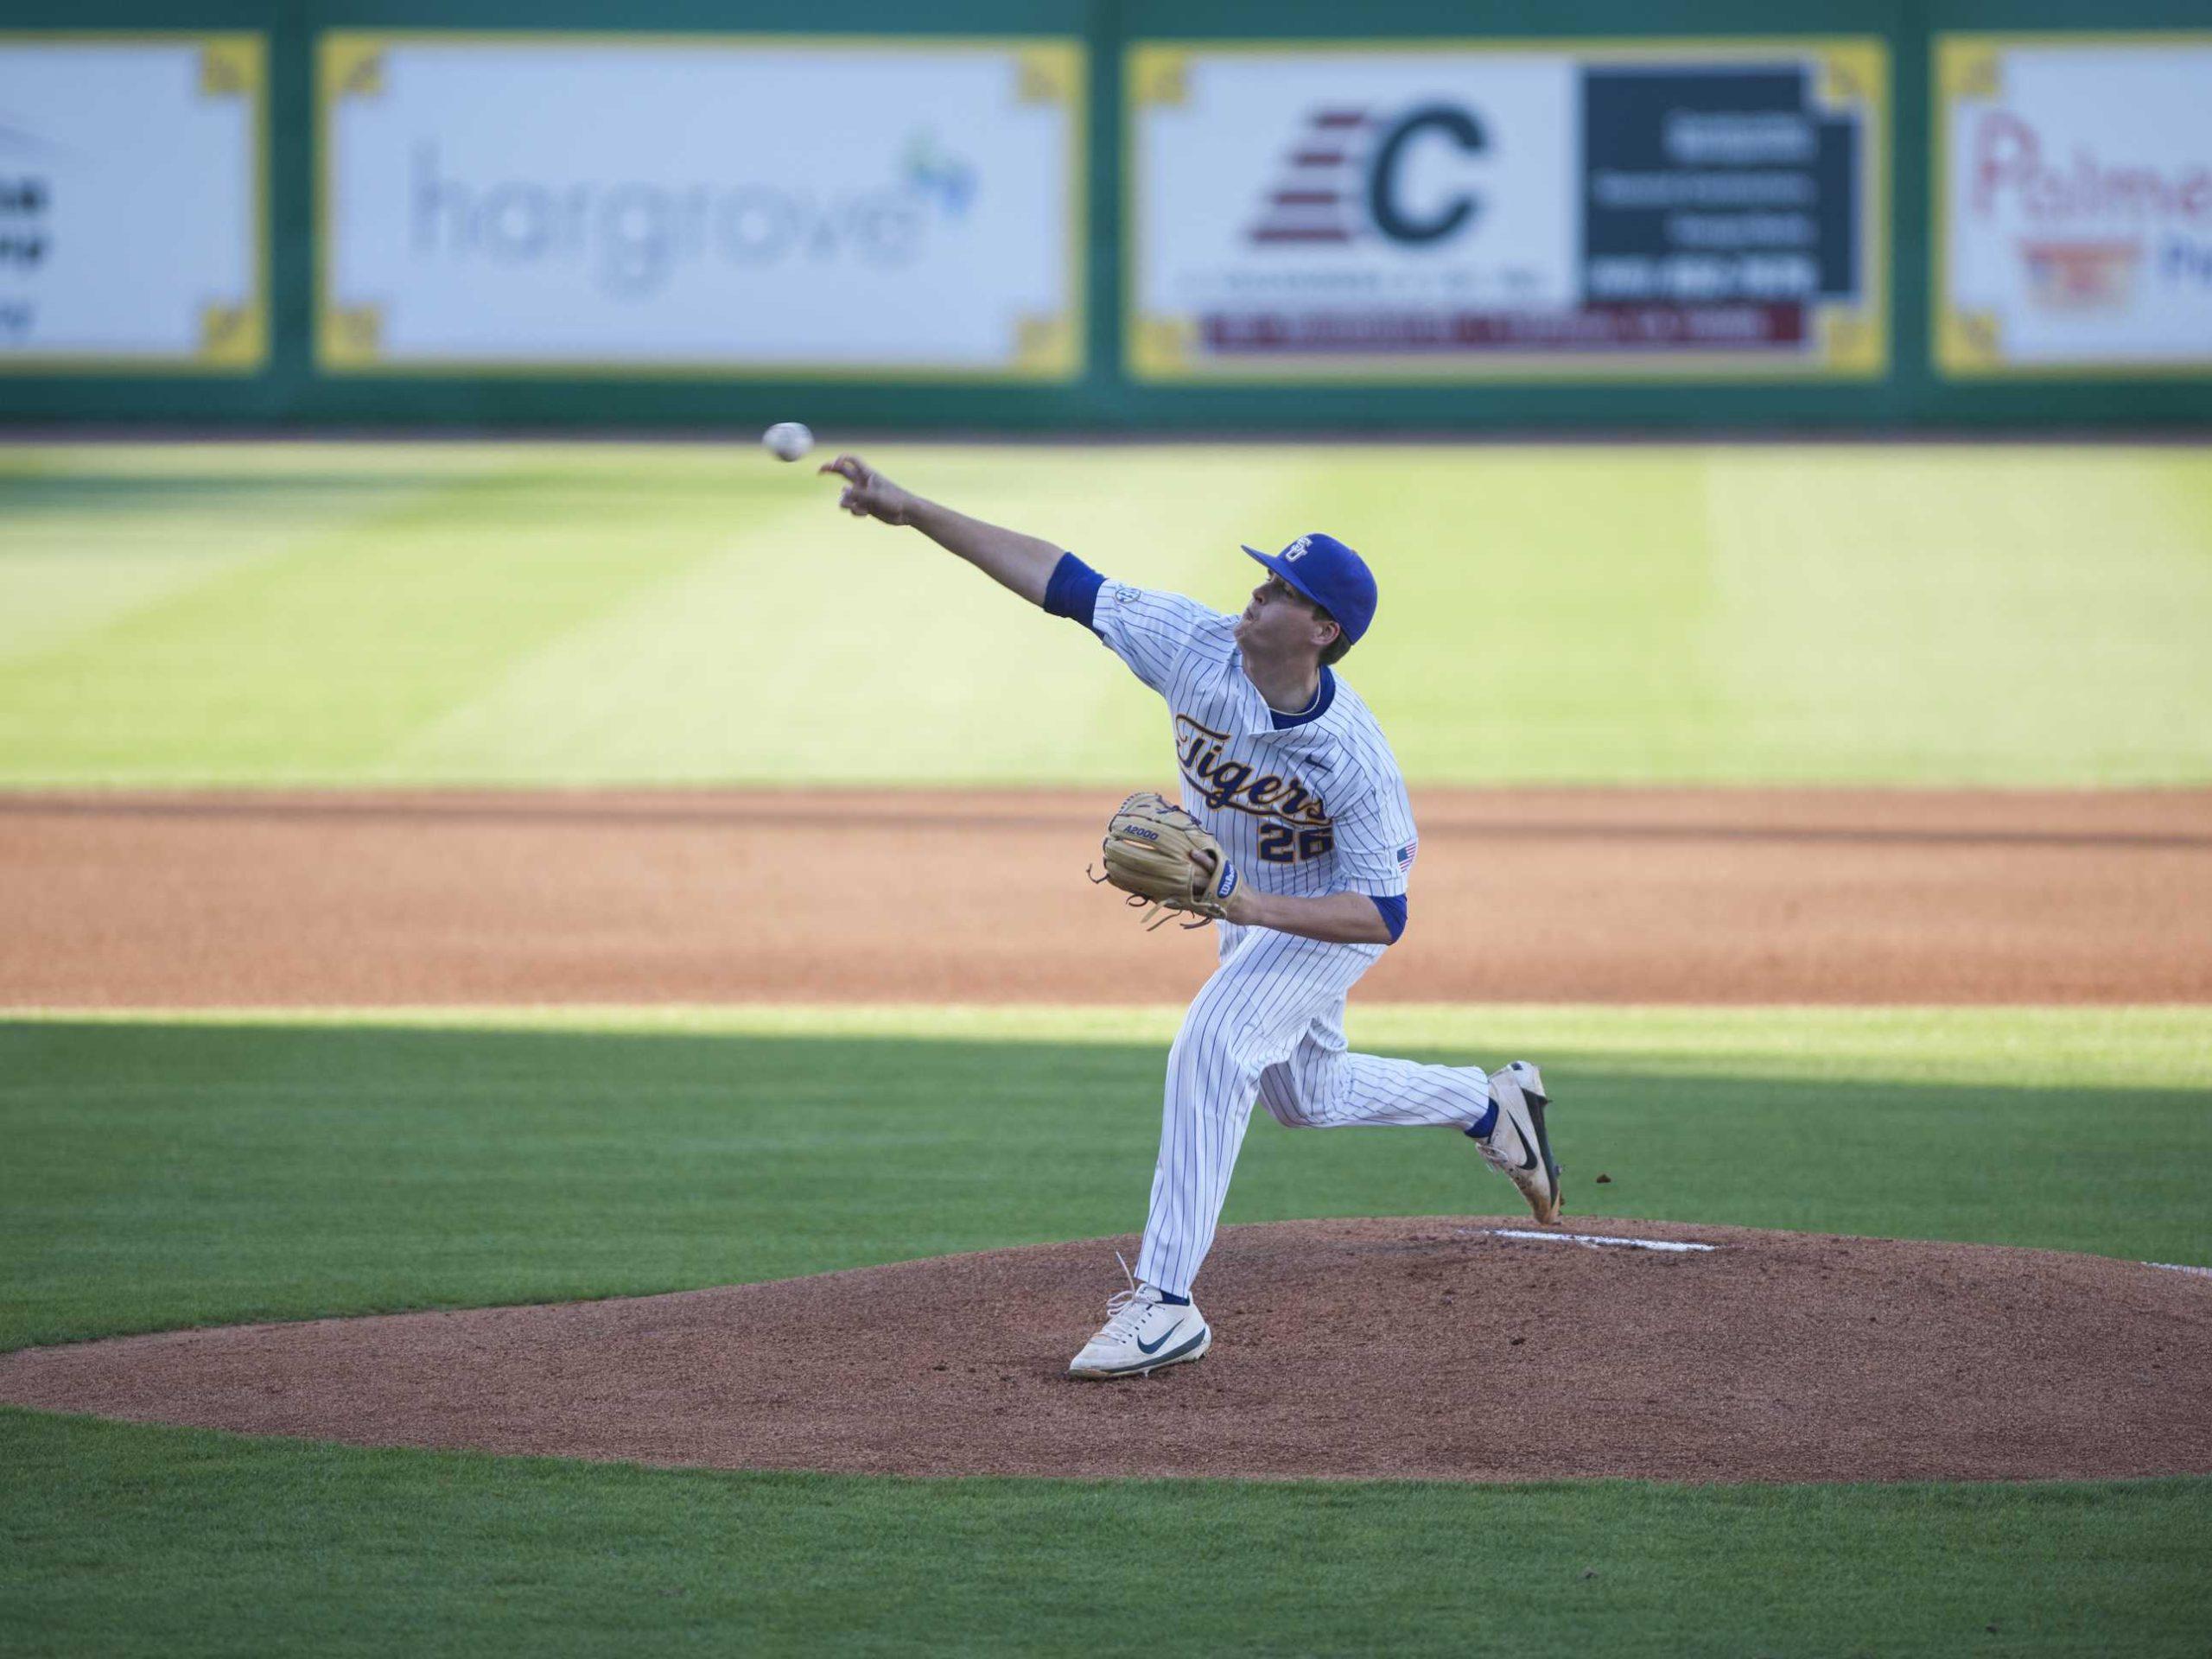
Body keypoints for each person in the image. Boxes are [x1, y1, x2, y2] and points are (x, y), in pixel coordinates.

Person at [819, 453, 1563, 1380]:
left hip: (1327, 910)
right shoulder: (1191, 644)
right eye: (1264, 576)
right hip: (1240, 900)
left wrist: (1247, 905)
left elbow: (1382, 916)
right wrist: (911, 509)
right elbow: (1061, 581)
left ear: (1322, 630)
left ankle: (1166, 1303)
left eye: (1283, 589)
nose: (1256, 592)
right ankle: (1489, 1107)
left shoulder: (1351, 760)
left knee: (1212, 1042)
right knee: (1306, 1096)